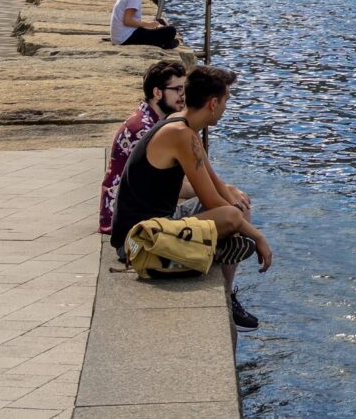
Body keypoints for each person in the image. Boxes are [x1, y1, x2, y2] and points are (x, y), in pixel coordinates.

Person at [109, 65, 270, 329]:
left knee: (239, 204)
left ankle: (227, 294)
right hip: (140, 238)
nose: (226, 107)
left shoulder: (185, 127)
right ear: (213, 103)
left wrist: (235, 197)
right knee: (232, 215)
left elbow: (217, 186)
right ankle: (215, 250)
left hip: (164, 221)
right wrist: (258, 236)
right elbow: (213, 202)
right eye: (227, 100)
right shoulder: (179, 134)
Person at [101, 59, 188, 235]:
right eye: (177, 89)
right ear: (157, 92)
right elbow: (165, 184)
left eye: (184, 88)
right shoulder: (143, 130)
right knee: (219, 211)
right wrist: (214, 191)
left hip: (135, 209)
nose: (183, 95)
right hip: (127, 219)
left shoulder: (150, 121)